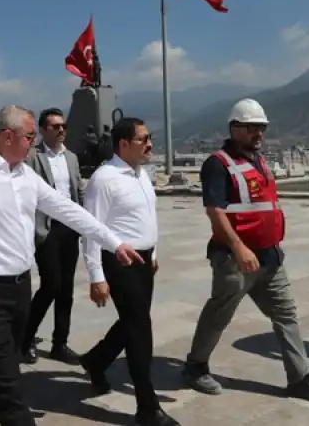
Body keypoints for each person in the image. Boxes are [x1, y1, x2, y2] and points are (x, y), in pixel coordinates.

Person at [0, 105, 140, 426]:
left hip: (17, 290)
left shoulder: (26, 175)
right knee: (9, 387)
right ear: (6, 136)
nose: (33, 142)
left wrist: (114, 242)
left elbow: (68, 210)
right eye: (29, 136)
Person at [181, 99, 309, 407]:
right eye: (253, 128)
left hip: (270, 257)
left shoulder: (259, 160)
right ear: (235, 128)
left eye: (262, 128)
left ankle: (301, 378)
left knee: (286, 315)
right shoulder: (218, 163)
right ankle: (195, 366)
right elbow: (215, 211)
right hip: (235, 259)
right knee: (219, 314)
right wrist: (238, 247)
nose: (259, 134)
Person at [80, 117, 180, 426]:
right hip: (119, 262)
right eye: (143, 139)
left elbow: (148, 216)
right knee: (140, 330)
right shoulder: (104, 179)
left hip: (143, 261)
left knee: (132, 322)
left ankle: (96, 360)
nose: (150, 144)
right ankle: (147, 408)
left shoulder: (141, 174)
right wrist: (96, 276)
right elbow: (91, 229)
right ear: (123, 144)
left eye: (149, 138)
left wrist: (154, 252)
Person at [21, 108, 83, 365]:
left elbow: (77, 190)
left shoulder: (71, 158)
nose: (61, 130)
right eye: (55, 126)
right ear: (43, 130)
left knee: (67, 289)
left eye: (63, 126)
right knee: (51, 286)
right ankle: (25, 340)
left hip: (69, 229)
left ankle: (60, 343)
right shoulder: (33, 158)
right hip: (46, 229)